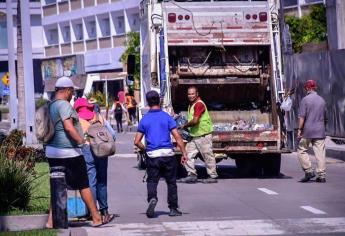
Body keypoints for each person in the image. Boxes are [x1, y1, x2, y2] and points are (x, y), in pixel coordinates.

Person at [45, 76, 105, 228]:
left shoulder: (50, 106)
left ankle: (51, 222)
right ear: (67, 90)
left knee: (57, 185)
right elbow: (68, 127)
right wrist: (81, 141)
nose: (73, 94)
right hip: (68, 152)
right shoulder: (64, 105)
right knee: (83, 184)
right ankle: (96, 217)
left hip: (52, 152)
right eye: (72, 91)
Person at [134, 90, 188, 218]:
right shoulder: (166, 117)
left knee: (152, 181)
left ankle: (152, 198)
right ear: (159, 101)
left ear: (147, 102)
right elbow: (177, 137)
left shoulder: (145, 120)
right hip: (168, 154)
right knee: (171, 182)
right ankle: (173, 208)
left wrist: (146, 149)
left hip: (153, 155)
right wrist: (184, 153)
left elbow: (136, 141)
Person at [74, 98, 115, 224]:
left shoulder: (77, 120)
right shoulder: (98, 116)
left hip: (87, 150)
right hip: (102, 149)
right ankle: (105, 211)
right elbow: (112, 134)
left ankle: (93, 212)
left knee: (91, 181)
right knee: (102, 181)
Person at [179, 86, 218, 184]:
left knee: (207, 156)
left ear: (197, 94)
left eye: (192, 94)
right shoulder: (192, 105)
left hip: (203, 135)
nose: (191, 96)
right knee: (187, 154)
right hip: (195, 135)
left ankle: (212, 176)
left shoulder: (199, 104)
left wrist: (184, 125)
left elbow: (195, 121)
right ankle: (191, 174)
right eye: (189, 94)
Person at [297, 80, 327, 183]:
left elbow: (302, 117)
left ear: (307, 88)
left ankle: (308, 170)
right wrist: (323, 127)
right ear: (315, 88)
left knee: (301, 150)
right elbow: (325, 117)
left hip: (308, 131)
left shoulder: (305, 100)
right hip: (320, 131)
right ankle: (321, 176)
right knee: (320, 153)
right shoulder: (322, 100)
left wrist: (299, 130)